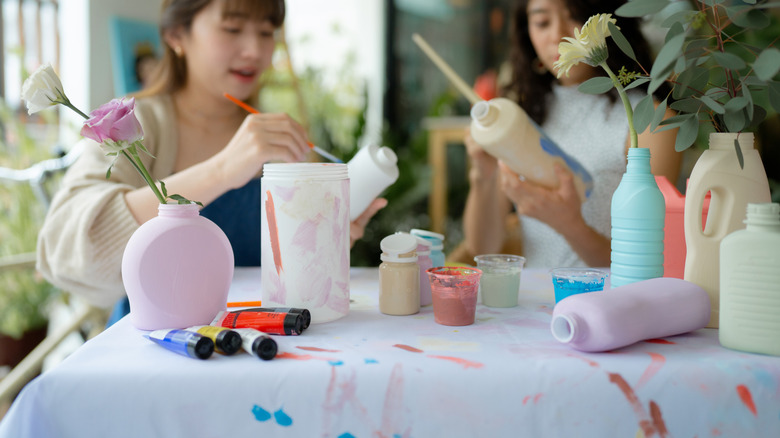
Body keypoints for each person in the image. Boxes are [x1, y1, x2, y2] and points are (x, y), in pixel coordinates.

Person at [36, 0, 386, 314]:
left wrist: (326, 241)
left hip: (261, 344)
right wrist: (222, 170)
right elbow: (65, 254)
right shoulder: (132, 123)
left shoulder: (280, 141)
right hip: (156, 348)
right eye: (232, 28)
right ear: (177, 35)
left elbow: (295, 282)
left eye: (267, 32)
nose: (255, 50)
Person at [462, 0, 681, 268]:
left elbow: (647, 263)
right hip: (536, 304)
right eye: (542, 22)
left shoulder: (650, 120)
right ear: (526, 34)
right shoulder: (521, 117)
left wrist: (569, 224)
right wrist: (482, 175)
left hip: (611, 305)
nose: (557, 35)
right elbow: (482, 248)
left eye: (574, 16)